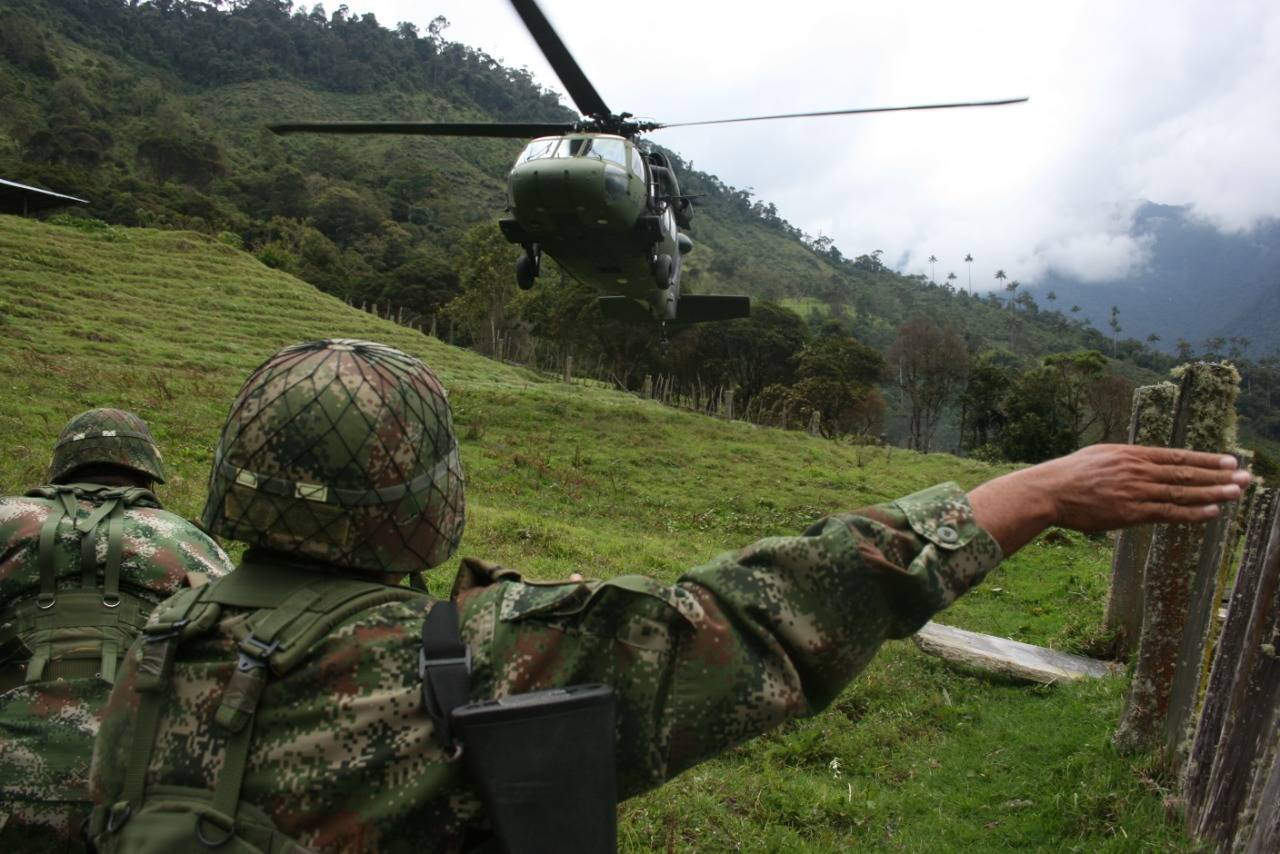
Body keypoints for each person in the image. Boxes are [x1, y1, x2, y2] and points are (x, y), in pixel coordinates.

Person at [86, 340, 1249, 852]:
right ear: (426, 500)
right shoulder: (475, 660)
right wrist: (1027, 494)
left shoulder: (143, 650)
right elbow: (754, 616)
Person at [0, 408, 234, 850]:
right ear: (148, 478)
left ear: (61, 469)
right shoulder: (189, 541)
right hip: (136, 791)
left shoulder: (6, 517)